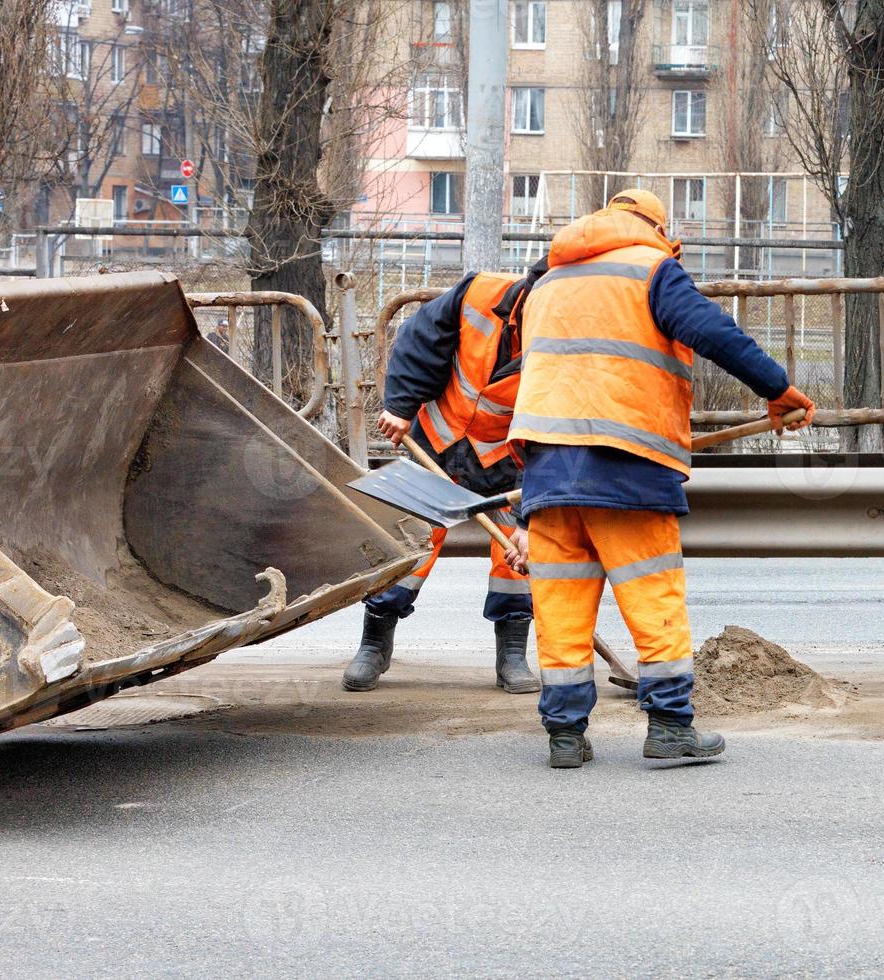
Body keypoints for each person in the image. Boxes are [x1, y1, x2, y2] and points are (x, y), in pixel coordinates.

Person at [504, 189, 816, 768]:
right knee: (652, 596)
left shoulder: (543, 285)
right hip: (627, 468)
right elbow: (713, 332)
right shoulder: (651, 270)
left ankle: (565, 736)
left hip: (548, 472)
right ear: (653, 227)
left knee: (560, 607)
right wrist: (777, 389)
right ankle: (670, 726)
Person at [345, 263, 547, 695]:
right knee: (411, 538)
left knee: (517, 550)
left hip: (509, 456)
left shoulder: (566, 340)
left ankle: (512, 654)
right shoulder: (478, 294)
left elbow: (554, 422)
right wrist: (400, 406)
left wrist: (534, 515)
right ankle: (374, 642)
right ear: (528, 293)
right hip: (439, 437)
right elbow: (419, 341)